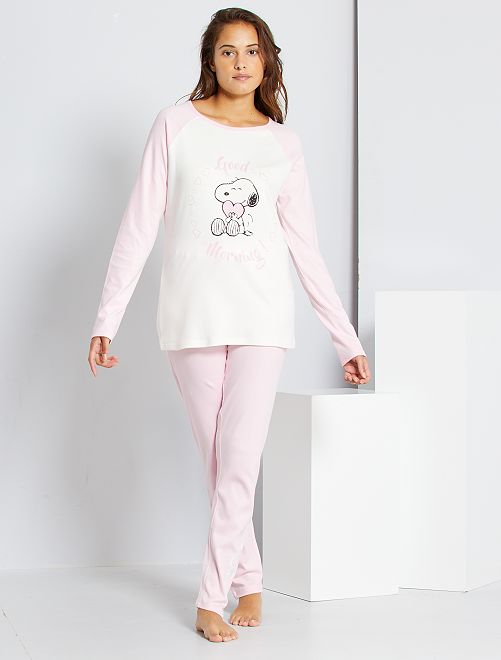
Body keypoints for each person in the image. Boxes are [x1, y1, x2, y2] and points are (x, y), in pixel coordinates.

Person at [87, 7, 371, 644]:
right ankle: (250, 578)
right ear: (210, 60)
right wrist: (107, 319)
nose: (240, 62)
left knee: (240, 460)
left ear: (266, 60)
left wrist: (345, 340)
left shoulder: (282, 145)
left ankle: (210, 598)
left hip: (262, 319)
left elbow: (306, 250)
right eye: (227, 51)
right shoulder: (175, 126)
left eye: (251, 51)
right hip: (191, 318)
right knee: (219, 461)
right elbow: (138, 226)